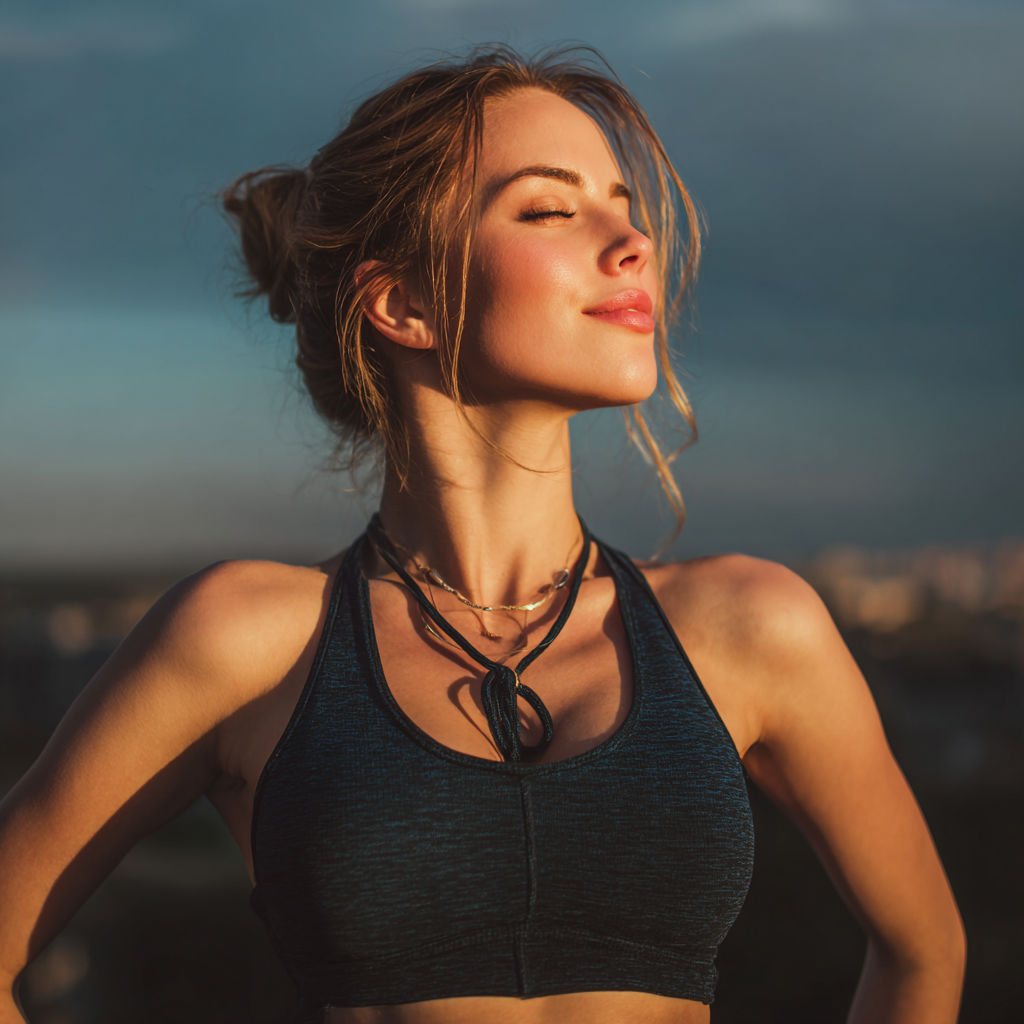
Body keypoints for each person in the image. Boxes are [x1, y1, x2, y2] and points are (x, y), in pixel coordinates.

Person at [0, 46, 964, 1024]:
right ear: (403, 302)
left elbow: (925, 952)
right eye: (551, 208)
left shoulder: (752, 627)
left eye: (626, 205)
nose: (631, 240)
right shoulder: (245, 643)